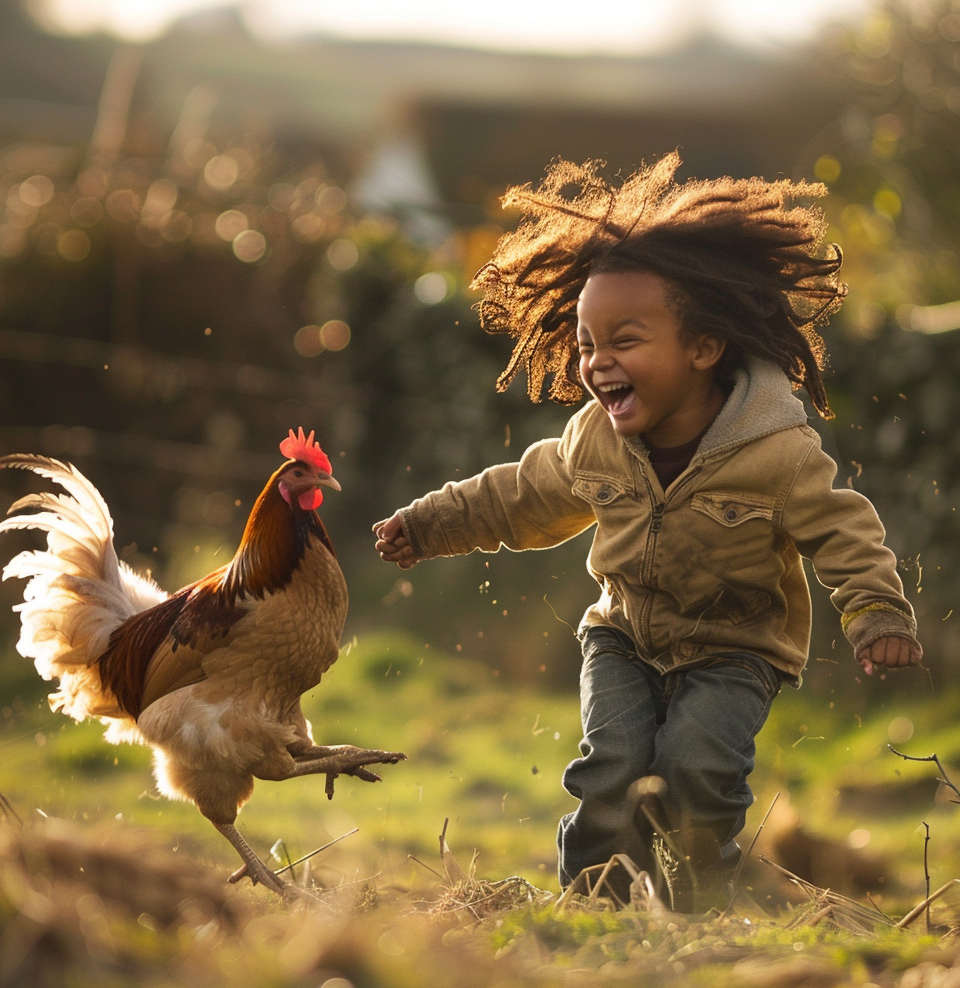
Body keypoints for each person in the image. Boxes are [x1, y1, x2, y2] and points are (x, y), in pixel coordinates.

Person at [372, 153, 921, 909]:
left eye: (624, 341)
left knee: (697, 769)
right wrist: (429, 524)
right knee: (613, 770)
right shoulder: (595, 441)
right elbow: (522, 496)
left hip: (736, 651)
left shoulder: (777, 451)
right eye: (588, 343)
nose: (598, 364)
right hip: (623, 638)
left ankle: (694, 904)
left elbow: (844, 532)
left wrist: (876, 612)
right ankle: (594, 905)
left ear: (703, 348)